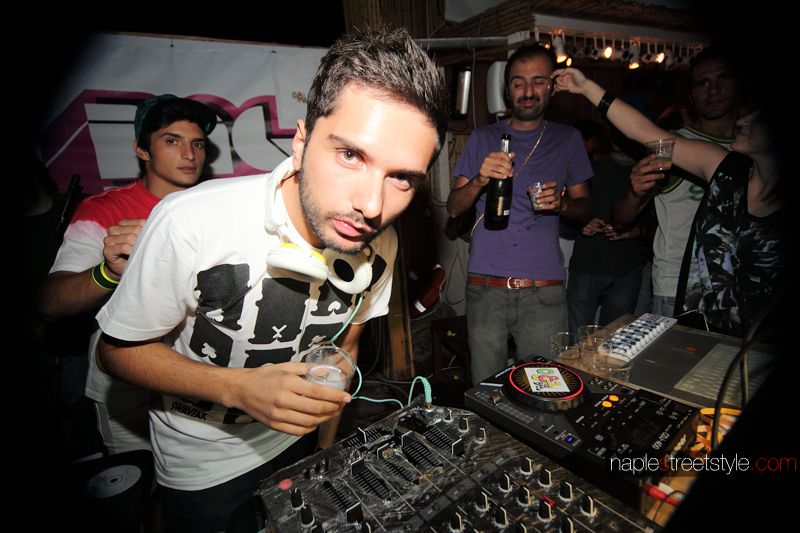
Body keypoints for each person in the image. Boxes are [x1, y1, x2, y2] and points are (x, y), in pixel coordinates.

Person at [96, 28, 448, 533]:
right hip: (204, 470)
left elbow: (348, 342)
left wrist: (326, 436)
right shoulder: (190, 220)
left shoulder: (382, 241)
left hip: (300, 448)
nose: (372, 206)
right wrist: (237, 389)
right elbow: (115, 351)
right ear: (301, 143)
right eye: (351, 155)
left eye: (402, 178)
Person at [40, 95, 217, 455]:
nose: (189, 154)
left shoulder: (216, 206)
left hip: (197, 381)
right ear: (141, 149)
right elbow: (51, 302)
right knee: (138, 481)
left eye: (197, 144)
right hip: (124, 386)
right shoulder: (106, 209)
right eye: (172, 141)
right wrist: (109, 272)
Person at [554, 67, 786, 338]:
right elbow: (644, 132)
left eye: (757, 115)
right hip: (701, 320)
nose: (743, 119)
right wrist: (587, 87)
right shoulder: (725, 169)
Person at [447, 44, 592, 384]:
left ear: (551, 87)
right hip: (485, 289)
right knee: (486, 388)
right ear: (507, 89)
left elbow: (586, 209)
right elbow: (453, 208)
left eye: (538, 81)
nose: (528, 91)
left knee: (545, 389)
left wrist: (562, 204)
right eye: (518, 82)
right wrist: (480, 179)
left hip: (544, 292)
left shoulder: (568, 139)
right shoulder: (483, 137)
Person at [611, 46, 741, 317]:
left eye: (723, 78)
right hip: (679, 286)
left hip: (741, 284)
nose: (714, 90)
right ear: (691, 96)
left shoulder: (754, 145)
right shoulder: (670, 147)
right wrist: (635, 192)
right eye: (703, 83)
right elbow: (621, 218)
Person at [567, 122, 648, 332]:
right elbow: (567, 210)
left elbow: (661, 222)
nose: (622, 136)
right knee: (577, 341)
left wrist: (637, 231)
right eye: (617, 131)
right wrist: (582, 223)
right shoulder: (589, 168)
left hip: (627, 268)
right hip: (587, 264)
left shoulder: (650, 173)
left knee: (614, 342)